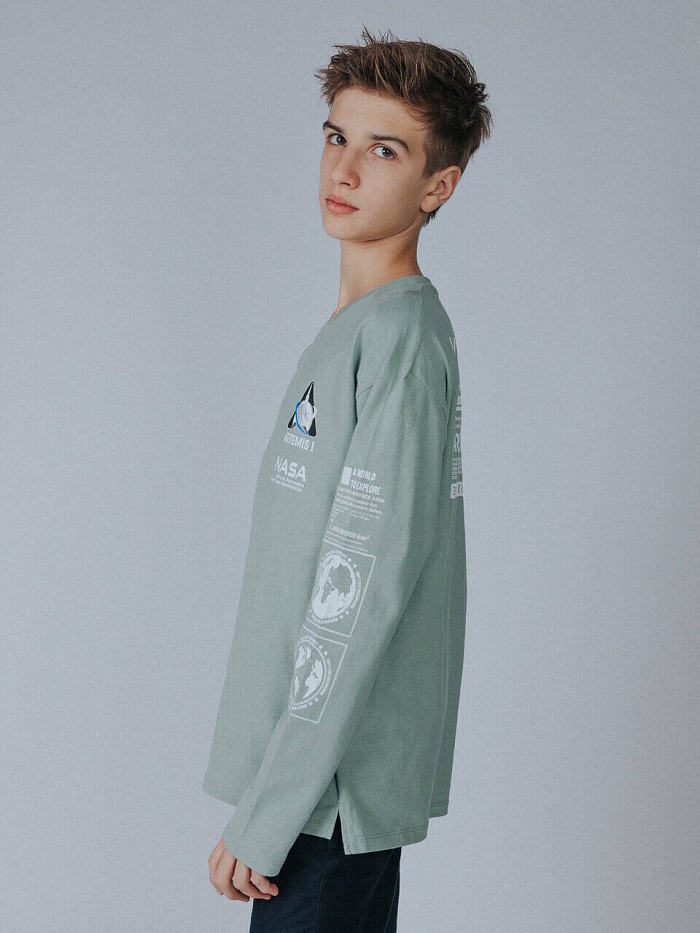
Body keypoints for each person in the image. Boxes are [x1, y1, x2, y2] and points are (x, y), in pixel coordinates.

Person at [203, 26, 491, 932]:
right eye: (337, 136)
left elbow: (361, 591)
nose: (346, 167)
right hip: (309, 794)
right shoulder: (361, 332)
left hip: (324, 804)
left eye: (385, 150)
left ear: (438, 185)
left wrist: (272, 807)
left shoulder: (401, 341)